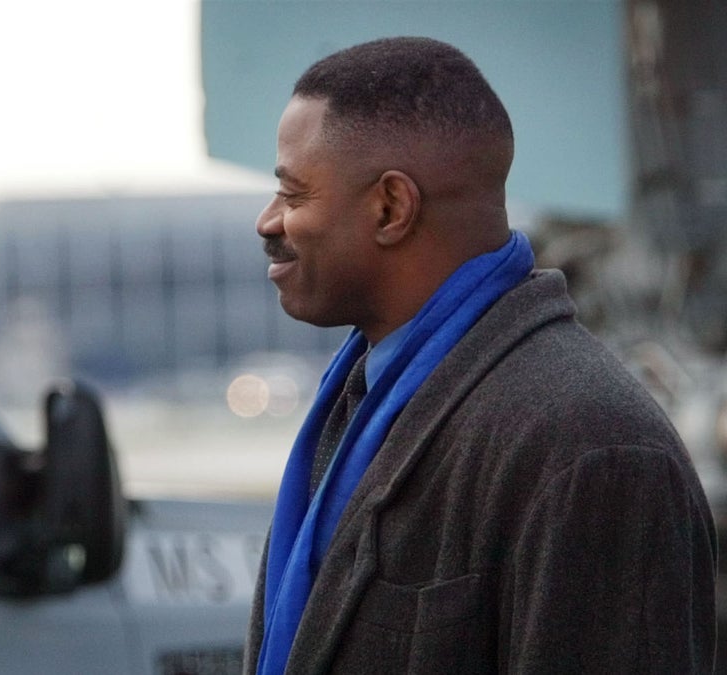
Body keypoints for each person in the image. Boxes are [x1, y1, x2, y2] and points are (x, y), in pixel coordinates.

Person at [246, 37, 716, 673]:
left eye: (294, 195)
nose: (267, 222)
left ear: (391, 207)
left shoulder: (590, 447)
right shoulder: (366, 398)